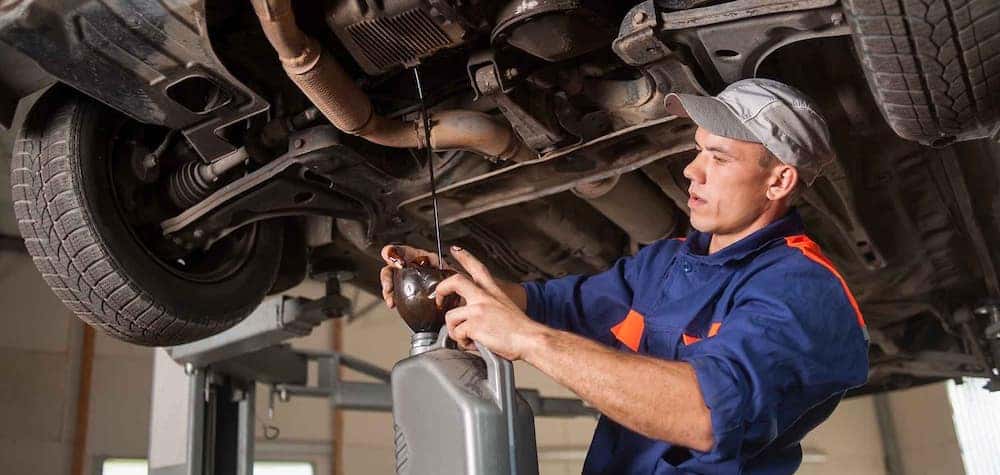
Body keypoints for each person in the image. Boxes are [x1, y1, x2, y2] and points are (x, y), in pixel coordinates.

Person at [380, 78, 869, 474]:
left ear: (778, 180)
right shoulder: (666, 263)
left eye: (718, 158)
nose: (691, 172)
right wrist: (457, 287)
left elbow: (705, 417)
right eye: (697, 151)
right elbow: (555, 306)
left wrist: (528, 340)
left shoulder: (804, 288)